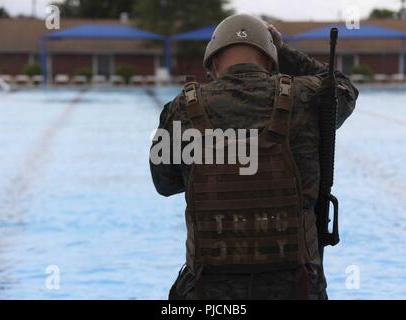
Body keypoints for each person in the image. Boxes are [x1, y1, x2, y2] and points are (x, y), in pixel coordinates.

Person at [150, 14, 358, 300]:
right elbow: (345, 90)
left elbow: (164, 184)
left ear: (212, 63)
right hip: (296, 286)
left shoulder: (181, 109)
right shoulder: (305, 97)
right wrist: (285, 52)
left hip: (208, 289)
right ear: (270, 62)